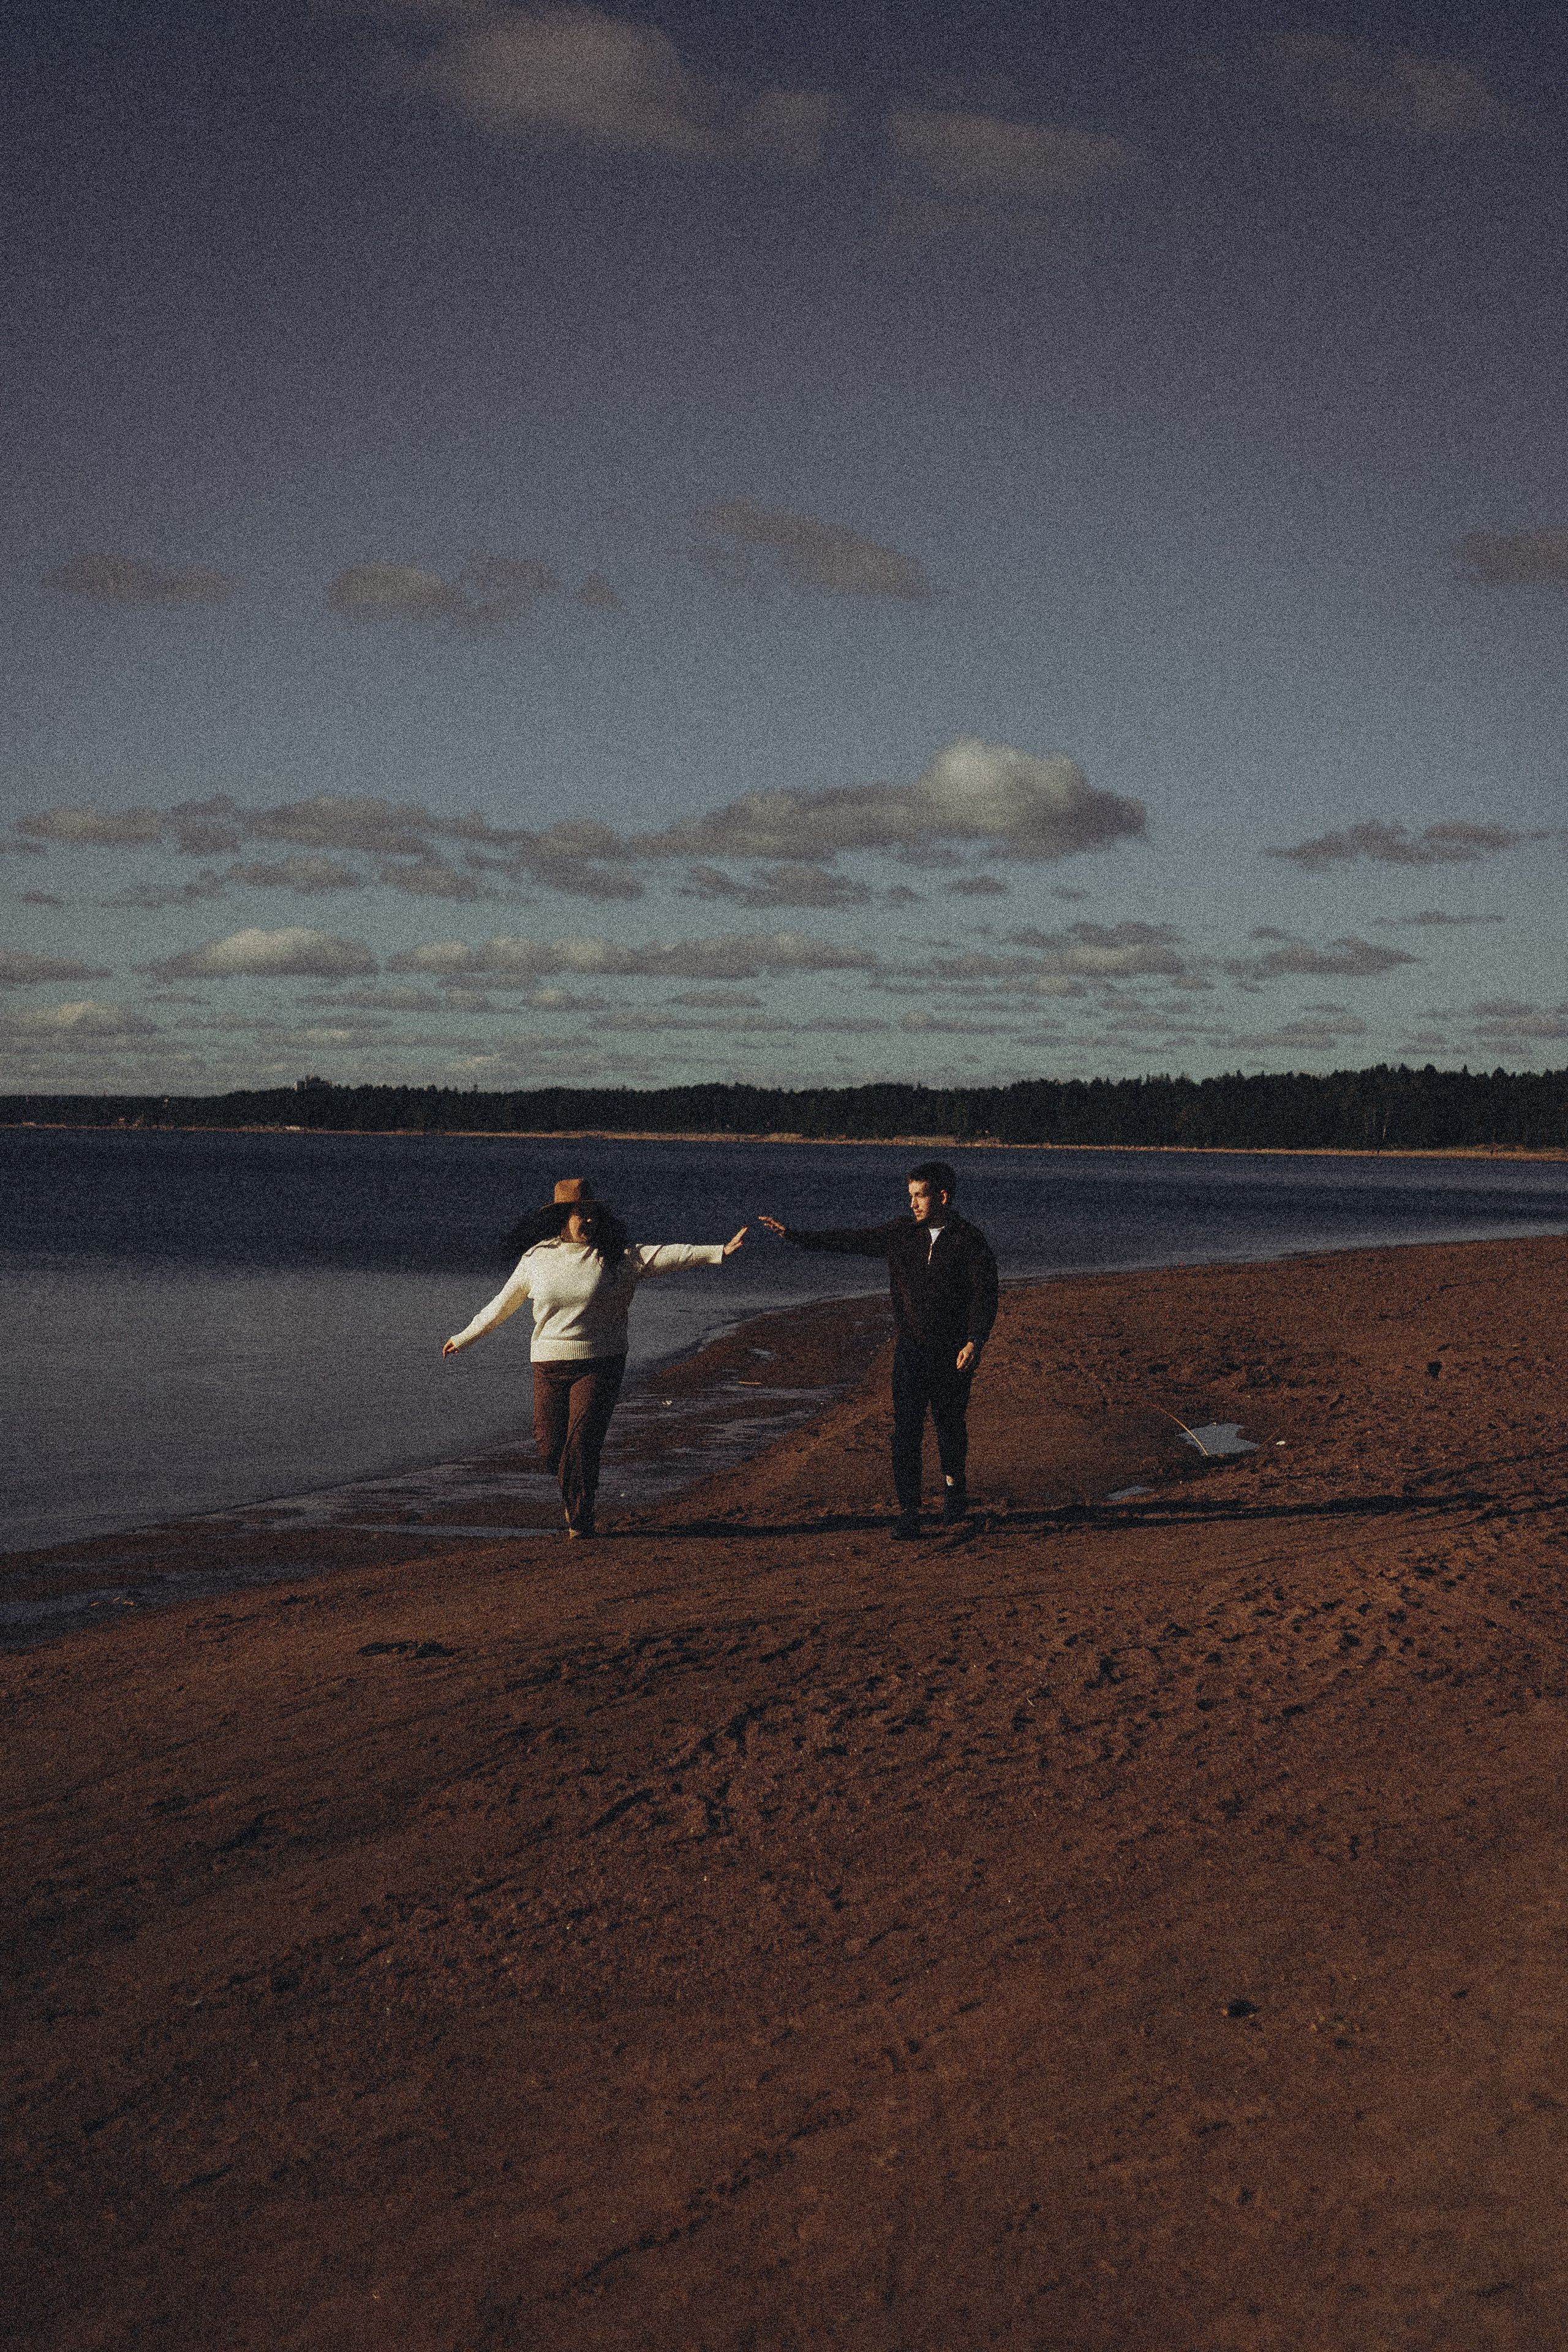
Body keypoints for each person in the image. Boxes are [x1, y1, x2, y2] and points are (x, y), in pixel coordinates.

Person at [443, 1177, 747, 1538]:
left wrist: (719, 1252)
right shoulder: (537, 1259)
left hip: (600, 1360)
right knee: (549, 1446)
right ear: (562, 1217)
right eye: (579, 1214)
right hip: (548, 1362)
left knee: (582, 1441)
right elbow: (501, 1306)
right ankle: (575, 1495)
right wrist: (465, 1337)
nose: (587, 1221)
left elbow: (667, 1254)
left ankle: (580, 1520)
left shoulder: (617, 1257)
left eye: (591, 1214)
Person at [760, 1160, 997, 1539]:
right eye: (911, 1197)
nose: (913, 1204)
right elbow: (849, 1240)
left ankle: (954, 1489)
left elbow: (984, 1297)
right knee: (905, 1431)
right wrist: (795, 1237)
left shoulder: (970, 1240)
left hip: (953, 1353)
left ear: (942, 1196)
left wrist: (975, 1340)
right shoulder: (900, 1234)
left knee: (949, 1426)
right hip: (910, 1350)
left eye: (920, 1196)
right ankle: (910, 1512)